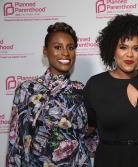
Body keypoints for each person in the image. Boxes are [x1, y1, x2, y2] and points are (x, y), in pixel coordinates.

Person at [7, 22, 91, 167]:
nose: (65, 53)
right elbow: (18, 145)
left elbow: (89, 136)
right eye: (57, 47)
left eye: (70, 48)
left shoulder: (81, 90)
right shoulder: (27, 90)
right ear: (45, 51)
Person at [83, 14, 138, 167]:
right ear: (113, 50)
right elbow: (88, 127)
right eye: (123, 47)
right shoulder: (96, 85)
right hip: (111, 160)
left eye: (136, 48)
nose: (130, 54)